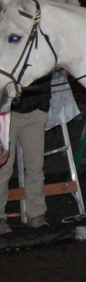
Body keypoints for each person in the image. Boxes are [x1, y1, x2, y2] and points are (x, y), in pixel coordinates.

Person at [0, 75, 53, 234]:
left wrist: (42, 106)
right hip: (8, 113)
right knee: (4, 169)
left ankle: (36, 214)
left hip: (35, 111)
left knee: (35, 167)